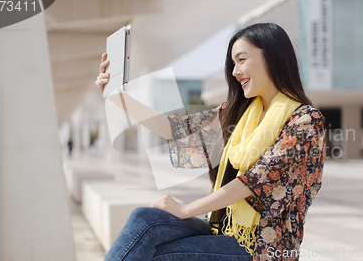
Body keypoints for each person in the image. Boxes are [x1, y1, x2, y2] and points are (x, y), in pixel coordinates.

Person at [95, 23, 326, 261]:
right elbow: (175, 128)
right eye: (233, 63)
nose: (235, 71)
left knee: (156, 255)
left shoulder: (305, 121)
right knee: (144, 218)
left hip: (262, 251)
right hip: (221, 230)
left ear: (273, 57)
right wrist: (117, 97)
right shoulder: (238, 113)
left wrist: (184, 210)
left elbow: (252, 181)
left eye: (242, 60)